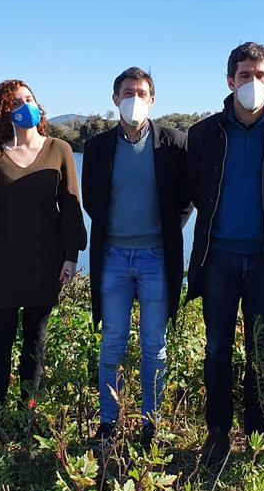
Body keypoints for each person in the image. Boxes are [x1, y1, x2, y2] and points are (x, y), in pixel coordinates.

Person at [185, 42, 264, 467]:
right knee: (217, 348)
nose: (251, 83)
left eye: (259, 75)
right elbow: (198, 191)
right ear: (229, 81)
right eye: (243, 75)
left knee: (262, 351)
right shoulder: (204, 134)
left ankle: (257, 435)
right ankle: (217, 433)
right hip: (217, 259)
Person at [0, 80, 86, 435]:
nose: (24, 105)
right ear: (2, 111)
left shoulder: (59, 149)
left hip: (45, 263)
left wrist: (71, 255)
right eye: (15, 102)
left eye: (29, 99)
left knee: (35, 342)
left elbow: (71, 207)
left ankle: (27, 417)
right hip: (1, 264)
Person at [81, 67, 191, 447]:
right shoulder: (97, 148)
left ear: (152, 99)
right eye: (128, 92)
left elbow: (185, 198)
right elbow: (93, 200)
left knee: (153, 345)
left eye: (142, 92)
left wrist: (166, 228)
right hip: (112, 257)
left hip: (156, 258)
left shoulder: (174, 144)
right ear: (115, 99)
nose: (135, 98)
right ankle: (108, 423)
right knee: (112, 341)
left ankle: (151, 423)